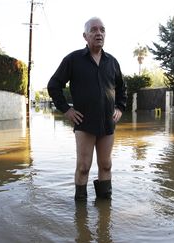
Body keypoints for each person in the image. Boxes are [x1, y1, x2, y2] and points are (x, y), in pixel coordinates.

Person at [47, 17, 127, 201]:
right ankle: (80, 212)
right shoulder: (73, 60)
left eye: (102, 30)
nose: (99, 33)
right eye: (94, 30)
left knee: (106, 165)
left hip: (108, 122)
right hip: (84, 122)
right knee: (83, 166)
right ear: (85, 35)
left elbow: (122, 88)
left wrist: (120, 108)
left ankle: (104, 209)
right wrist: (66, 110)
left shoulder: (112, 62)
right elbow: (54, 85)